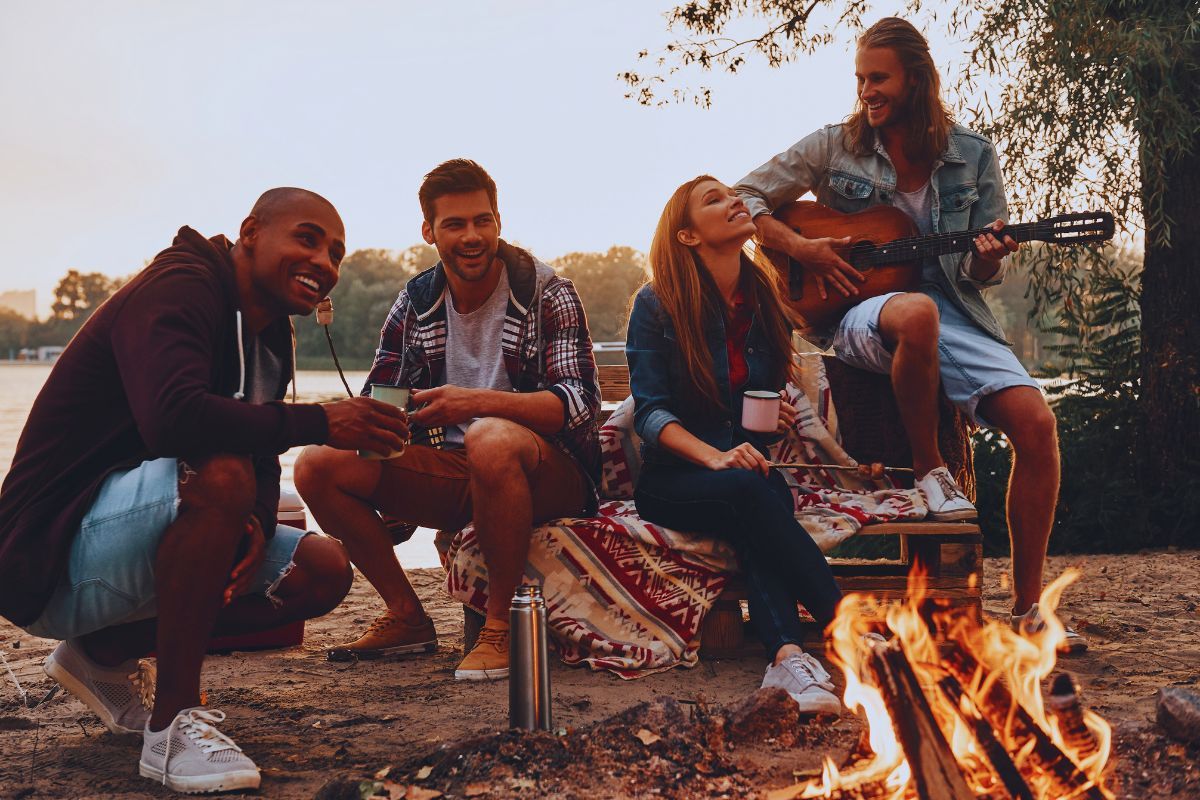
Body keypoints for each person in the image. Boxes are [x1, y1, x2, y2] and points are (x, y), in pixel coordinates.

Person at [0, 188, 413, 793]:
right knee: (221, 473)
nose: (325, 262)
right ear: (250, 232)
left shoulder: (270, 335)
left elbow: (264, 462)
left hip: (127, 541)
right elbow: (174, 419)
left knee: (321, 568)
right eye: (307, 238)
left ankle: (100, 654)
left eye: (337, 254)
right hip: (45, 553)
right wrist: (321, 422)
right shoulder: (182, 286)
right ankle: (172, 727)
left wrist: (257, 525)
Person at [733, 17, 1085, 652]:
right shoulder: (833, 145)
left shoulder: (973, 155)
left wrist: (989, 254)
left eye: (879, 78)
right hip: (861, 313)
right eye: (860, 78)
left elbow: (982, 268)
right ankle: (930, 472)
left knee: (1037, 426)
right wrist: (805, 250)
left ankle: (1030, 608)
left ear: (916, 80)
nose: (867, 90)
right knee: (915, 311)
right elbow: (744, 199)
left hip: (955, 308)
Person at [296, 159, 601, 680]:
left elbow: (577, 405)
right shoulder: (415, 302)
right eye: (455, 224)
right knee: (315, 464)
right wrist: (386, 430)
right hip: (454, 468)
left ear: (498, 222)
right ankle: (407, 616)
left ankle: (500, 628)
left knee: (489, 437)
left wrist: (473, 402)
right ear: (429, 231)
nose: (472, 236)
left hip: (548, 473)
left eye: (482, 221)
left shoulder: (547, 292)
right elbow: (379, 397)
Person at [627, 175, 845, 714]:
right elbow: (650, 414)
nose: (735, 202)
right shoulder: (657, 304)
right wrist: (717, 457)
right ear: (687, 237)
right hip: (673, 479)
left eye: (733, 194)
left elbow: (757, 402)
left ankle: (789, 658)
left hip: (749, 474)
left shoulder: (763, 297)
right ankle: (851, 629)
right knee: (754, 492)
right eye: (714, 199)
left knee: (759, 497)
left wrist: (779, 415)